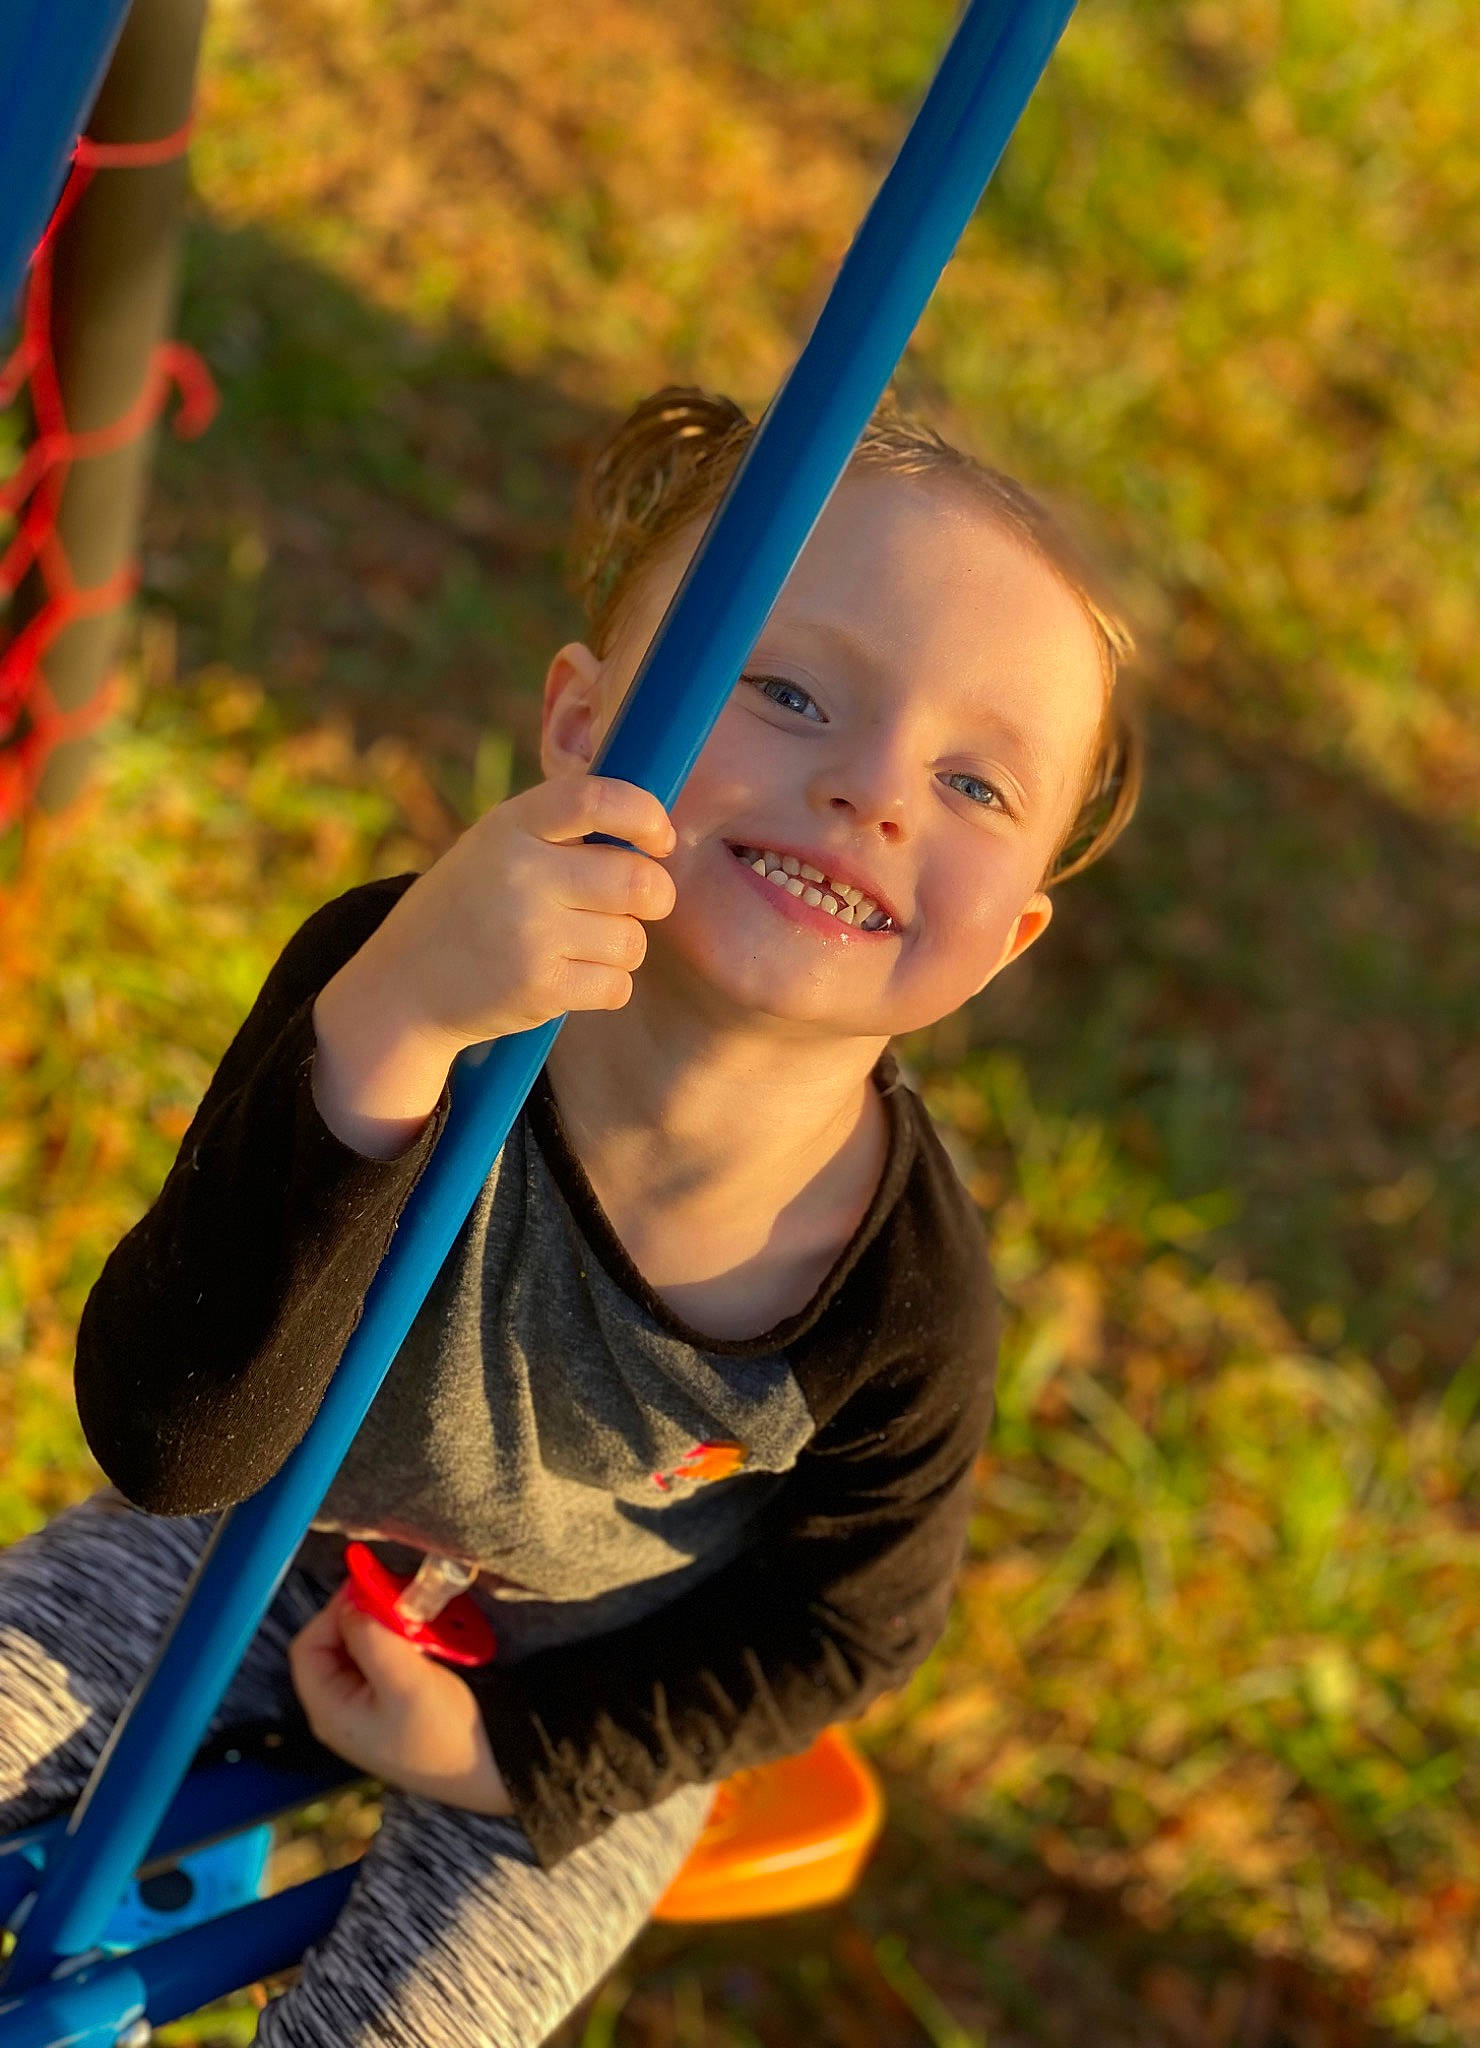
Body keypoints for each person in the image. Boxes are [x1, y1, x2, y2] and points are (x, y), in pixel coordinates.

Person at [0, 386, 1141, 2044]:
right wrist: (388, 1037)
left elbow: (846, 1629)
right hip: (263, 1538)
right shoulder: (403, 984)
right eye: (790, 688)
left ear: (1012, 937)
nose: (873, 792)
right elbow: (173, 1442)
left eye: (976, 785)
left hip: (571, 1686)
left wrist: (512, 1755)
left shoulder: (894, 1302)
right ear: (583, 723)